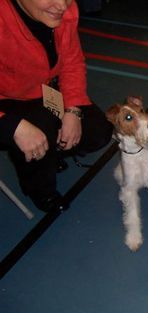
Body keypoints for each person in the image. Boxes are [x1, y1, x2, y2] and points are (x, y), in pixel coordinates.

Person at [0, 0, 112, 212]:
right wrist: (11, 125)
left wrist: (73, 110)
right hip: (6, 102)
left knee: (97, 131)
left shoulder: (65, 10)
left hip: (41, 90)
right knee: (38, 133)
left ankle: (52, 153)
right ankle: (40, 191)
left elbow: (72, 62)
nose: (62, 5)